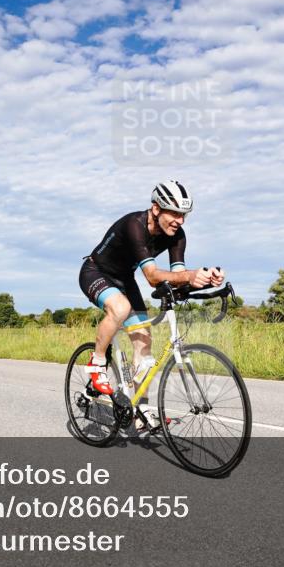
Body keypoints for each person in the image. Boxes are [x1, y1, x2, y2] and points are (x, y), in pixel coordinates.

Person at [78, 180, 224, 424]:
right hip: (95, 272)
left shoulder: (177, 236)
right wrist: (189, 276)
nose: (180, 221)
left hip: (125, 279)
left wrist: (205, 280)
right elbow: (153, 277)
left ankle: (141, 409)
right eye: (174, 213)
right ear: (156, 208)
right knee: (120, 308)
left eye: (184, 215)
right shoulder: (134, 225)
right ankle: (98, 363)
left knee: (144, 344)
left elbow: (177, 277)